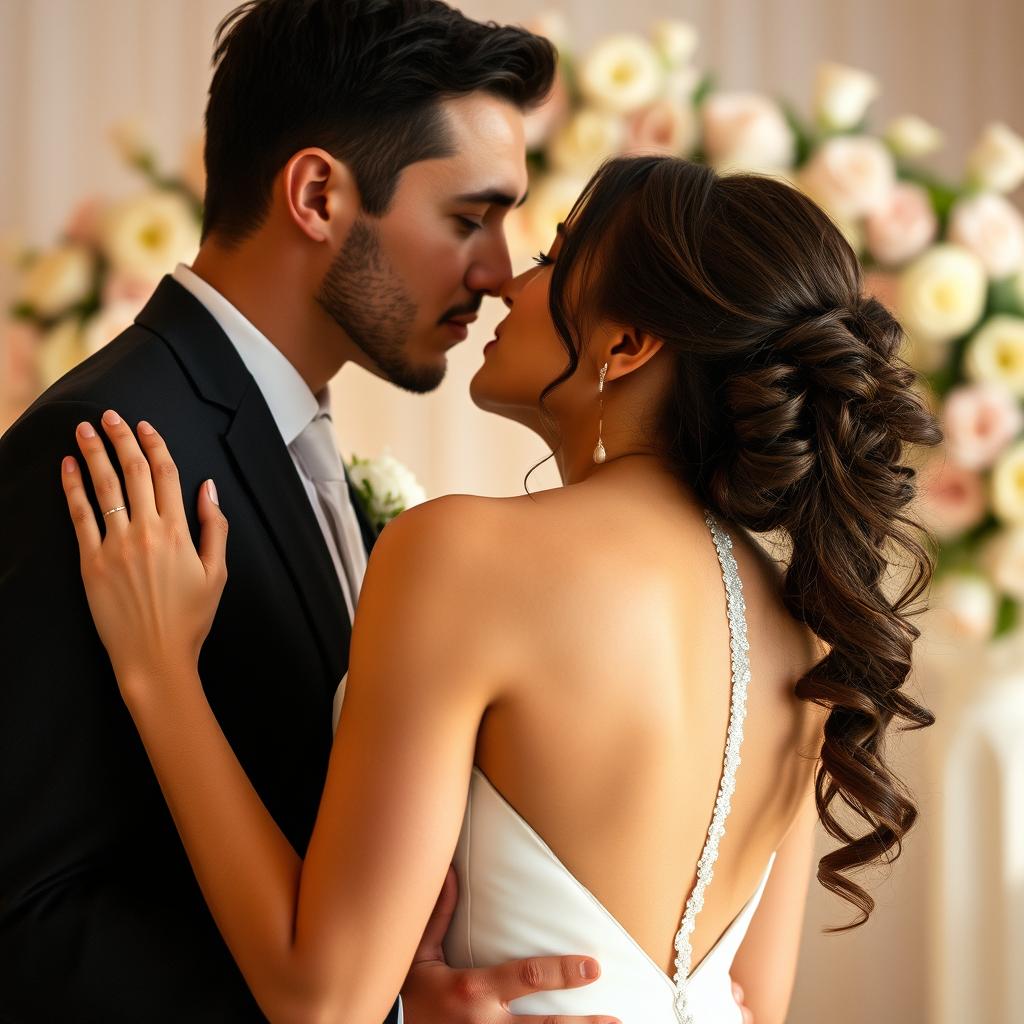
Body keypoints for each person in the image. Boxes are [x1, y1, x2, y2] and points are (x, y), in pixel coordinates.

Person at [57, 153, 943, 1023]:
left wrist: (160, 673)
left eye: (554, 258)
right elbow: (755, 1005)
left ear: (627, 345)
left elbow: (320, 1000)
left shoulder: (465, 554)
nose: (511, 284)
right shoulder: (806, 634)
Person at [0, 1, 645, 1020]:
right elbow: (25, 917)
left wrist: (392, 985)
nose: (496, 271)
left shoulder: (291, 435)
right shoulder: (109, 442)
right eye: (469, 218)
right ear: (315, 195)